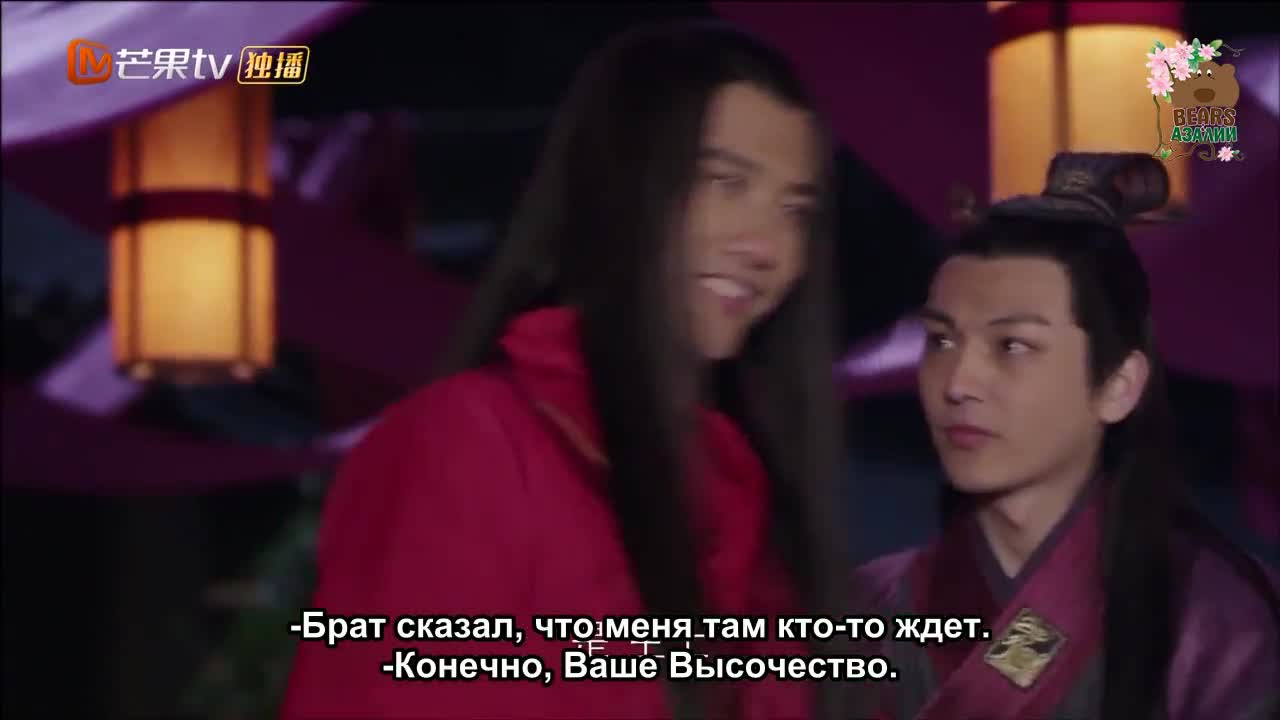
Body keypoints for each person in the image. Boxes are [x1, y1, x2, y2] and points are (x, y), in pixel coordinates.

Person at [282, 20, 851, 720]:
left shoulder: (752, 496)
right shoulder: (470, 442)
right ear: (621, 186)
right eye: (725, 183)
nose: (768, 247)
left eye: (796, 210)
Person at [854, 153, 1280, 720]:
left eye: (1012, 345)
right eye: (942, 341)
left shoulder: (1222, 629)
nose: (958, 384)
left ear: (1118, 385)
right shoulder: (863, 603)